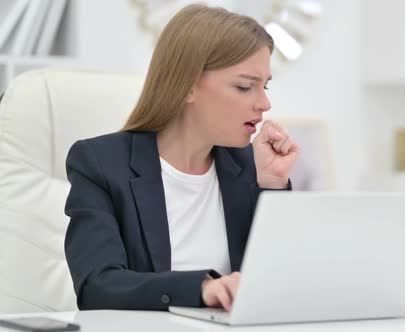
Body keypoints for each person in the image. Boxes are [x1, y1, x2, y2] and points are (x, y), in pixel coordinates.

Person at [64, 4, 299, 312]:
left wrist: (271, 186)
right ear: (186, 86)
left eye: (264, 86)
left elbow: (284, 287)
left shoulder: (250, 168)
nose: (265, 103)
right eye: (245, 86)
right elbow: (97, 286)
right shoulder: (101, 164)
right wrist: (203, 288)